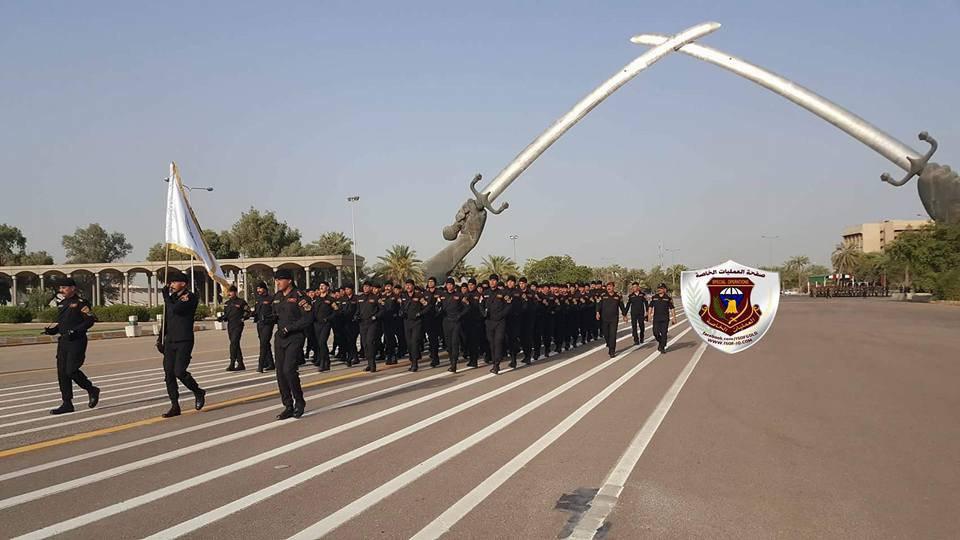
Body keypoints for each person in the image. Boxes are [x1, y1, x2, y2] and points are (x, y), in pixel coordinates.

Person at [42, 277, 100, 415]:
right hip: (64, 342)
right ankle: (67, 403)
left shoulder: (81, 303)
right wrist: (53, 330)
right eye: (60, 288)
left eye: (64, 288)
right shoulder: (62, 303)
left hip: (77, 340)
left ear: (73, 288)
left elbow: (90, 320)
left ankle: (91, 389)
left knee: (71, 370)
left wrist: (76, 330)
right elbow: (63, 323)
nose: (61, 290)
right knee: (62, 372)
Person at [157, 269, 206, 418]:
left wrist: (166, 297)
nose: (171, 284)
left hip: (184, 340)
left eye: (174, 282)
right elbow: (166, 320)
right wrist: (160, 338)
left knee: (179, 371)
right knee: (169, 373)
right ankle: (174, 405)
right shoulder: (171, 298)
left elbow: (176, 310)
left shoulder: (189, 297)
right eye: (170, 282)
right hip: (171, 340)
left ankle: (198, 391)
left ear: (183, 284)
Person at [272, 269, 313, 419]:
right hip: (280, 338)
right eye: (276, 280)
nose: (277, 283)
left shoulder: (299, 296)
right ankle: (288, 405)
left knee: (289, 370)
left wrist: (290, 328)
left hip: (294, 337)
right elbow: (275, 314)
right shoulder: (277, 297)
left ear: (289, 280)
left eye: (280, 280)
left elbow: (308, 318)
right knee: (280, 374)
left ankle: (299, 401)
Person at [481, 274, 513, 374]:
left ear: (497, 282)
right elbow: (480, 304)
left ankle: (496, 365)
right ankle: (495, 361)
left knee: (498, 342)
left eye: (494, 280)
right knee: (491, 343)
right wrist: (483, 314)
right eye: (491, 280)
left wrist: (502, 315)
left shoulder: (503, 293)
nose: (492, 282)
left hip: (500, 322)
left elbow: (509, 305)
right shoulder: (485, 293)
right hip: (489, 322)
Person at [437, 277, 468, 373]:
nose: (449, 286)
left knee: (455, 343)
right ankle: (451, 361)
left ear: (453, 286)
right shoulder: (442, 295)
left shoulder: (459, 295)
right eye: (447, 284)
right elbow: (438, 307)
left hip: (456, 322)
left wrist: (460, 315)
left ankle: (454, 364)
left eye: (451, 284)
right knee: (448, 344)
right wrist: (438, 306)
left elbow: (467, 307)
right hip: (446, 322)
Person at [399, 279, 428, 371]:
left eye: (409, 285)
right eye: (406, 285)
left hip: (416, 322)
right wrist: (401, 312)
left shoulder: (419, 296)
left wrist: (420, 313)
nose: (408, 287)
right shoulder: (403, 296)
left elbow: (427, 306)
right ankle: (412, 360)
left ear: (413, 286)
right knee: (409, 343)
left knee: (414, 342)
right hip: (407, 322)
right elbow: (402, 308)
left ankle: (415, 364)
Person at [219, 285, 250, 371]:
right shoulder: (227, 303)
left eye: (231, 292)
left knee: (233, 343)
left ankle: (232, 363)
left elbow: (248, 312)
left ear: (235, 292)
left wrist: (243, 318)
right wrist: (222, 318)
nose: (229, 293)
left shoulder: (241, 302)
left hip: (238, 325)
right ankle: (241, 363)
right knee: (235, 344)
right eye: (228, 292)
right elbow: (226, 315)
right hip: (230, 325)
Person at [312, 281, 338, 372]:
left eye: (323, 286)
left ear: (327, 288)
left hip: (326, 324)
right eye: (320, 286)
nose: (321, 287)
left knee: (322, 342)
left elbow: (336, 311)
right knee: (319, 344)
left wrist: (328, 318)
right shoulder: (316, 299)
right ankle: (326, 360)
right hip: (316, 324)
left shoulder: (330, 299)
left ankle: (324, 362)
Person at [356, 281, 381, 372]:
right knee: (365, 344)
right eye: (364, 287)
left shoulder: (375, 297)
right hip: (362, 323)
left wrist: (376, 316)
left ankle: (373, 364)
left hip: (372, 323)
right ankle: (369, 363)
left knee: (370, 342)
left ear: (371, 288)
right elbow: (358, 310)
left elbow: (382, 309)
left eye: (367, 287)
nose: (365, 288)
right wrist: (356, 316)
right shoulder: (360, 298)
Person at [252, 281, 276, 372]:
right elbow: (256, 311)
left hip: (268, 324)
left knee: (263, 344)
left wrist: (270, 319)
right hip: (260, 324)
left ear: (265, 289)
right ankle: (271, 363)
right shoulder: (258, 299)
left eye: (260, 288)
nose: (258, 290)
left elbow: (274, 312)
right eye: (257, 288)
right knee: (265, 343)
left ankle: (261, 365)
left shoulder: (271, 299)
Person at [596, 281, 624, 357]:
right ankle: (608, 343)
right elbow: (599, 305)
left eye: (610, 286)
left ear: (613, 287)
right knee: (606, 333)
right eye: (608, 286)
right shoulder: (603, 295)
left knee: (613, 335)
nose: (609, 288)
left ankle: (612, 351)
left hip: (614, 318)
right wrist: (597, 312)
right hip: (604, 318)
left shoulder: (618, 296)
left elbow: (621, 306)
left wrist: (624, 315)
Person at [648, 283, 677, 353]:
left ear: (664, 289)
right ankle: (662, 342)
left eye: (661, 288)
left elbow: (672, 308)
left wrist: (674, 318)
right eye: (658, 288)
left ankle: (662, 347)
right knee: (655, 333)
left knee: (664, 333)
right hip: (656, 319)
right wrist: (649, 315)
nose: (659, 289)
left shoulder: (668, 298)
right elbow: (650, 306)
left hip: (665, 319)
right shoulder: (654, 297)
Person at [378, 281, 400, 364]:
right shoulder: (381, 296)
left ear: (392, 287)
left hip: (393, 319)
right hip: (384, 320)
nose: (387, 288)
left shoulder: (395, 296)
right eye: (386, 286)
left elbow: (400, 306)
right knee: (387, 338)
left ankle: (393, 355)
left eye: (389, 286)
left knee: (391, 338)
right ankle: (389, 355)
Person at [422, 277, 442, 367]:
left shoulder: (440, 293)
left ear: (435, 283)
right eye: (429, 282)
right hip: (428, 319)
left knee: (438, 338)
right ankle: (435, 358)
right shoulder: (425, 293)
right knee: (432, 339)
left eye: (432, 282)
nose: (430, 283)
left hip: (438, 318)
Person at [338, 284, 359, 366]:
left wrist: (356, 317)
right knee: (348, 341)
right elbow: (340, 309)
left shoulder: (356, 298)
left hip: (354, 323)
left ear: (352, 290)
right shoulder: (342, 299)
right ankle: (354, 357)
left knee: (352, 340)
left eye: (348, 289)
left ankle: (350, 358)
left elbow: (358, 309)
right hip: (345, 323)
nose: (346, 290)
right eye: (345, 289)